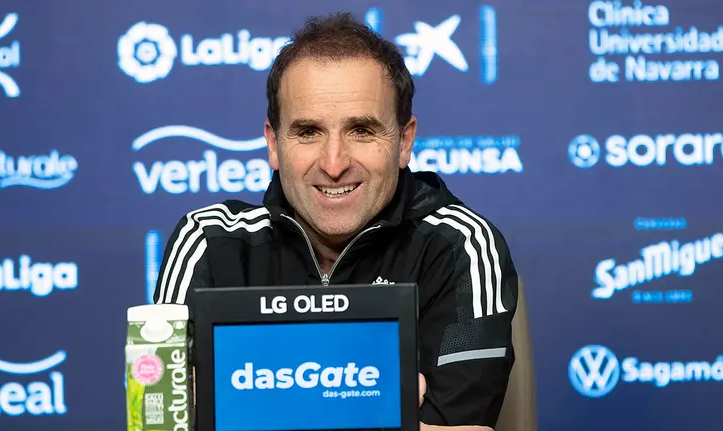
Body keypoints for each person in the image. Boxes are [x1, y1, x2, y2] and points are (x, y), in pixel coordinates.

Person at [153, 12, 518, 431]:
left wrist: (249, 409)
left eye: (362, 130)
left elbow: (459, 426)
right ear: (274, 144)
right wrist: (382, 411)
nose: (334, 163)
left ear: (404, 142)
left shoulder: (462, 246)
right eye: (308, 132)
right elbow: (164, 421)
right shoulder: (207, 242)